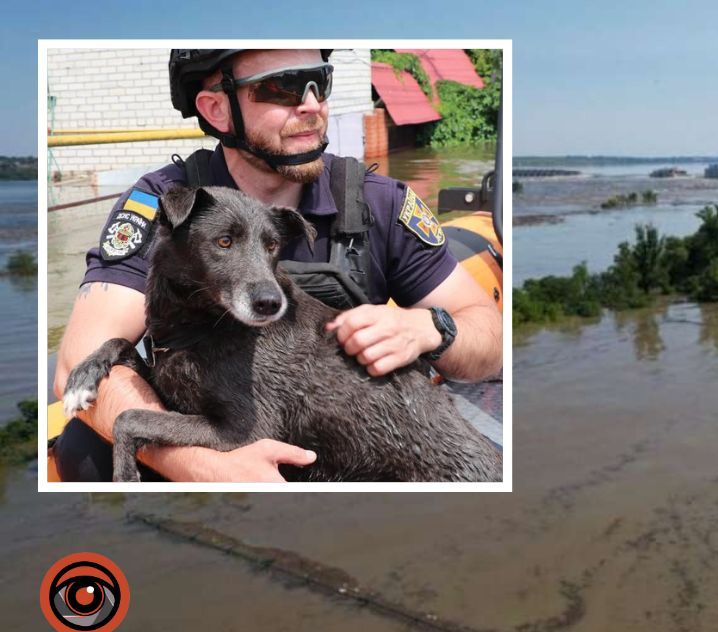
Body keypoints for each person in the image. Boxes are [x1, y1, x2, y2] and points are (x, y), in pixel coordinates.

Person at [51, 48, 502, 482]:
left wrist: (430, 328)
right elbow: (76, 362)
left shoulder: (380, 203)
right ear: (216, 110)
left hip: (354, 446)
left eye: (319, 82)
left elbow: (492, 339)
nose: (311, 104)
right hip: (234, 423)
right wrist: (202, 467)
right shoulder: (165, 202)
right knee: (84, 449)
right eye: (282, 88)